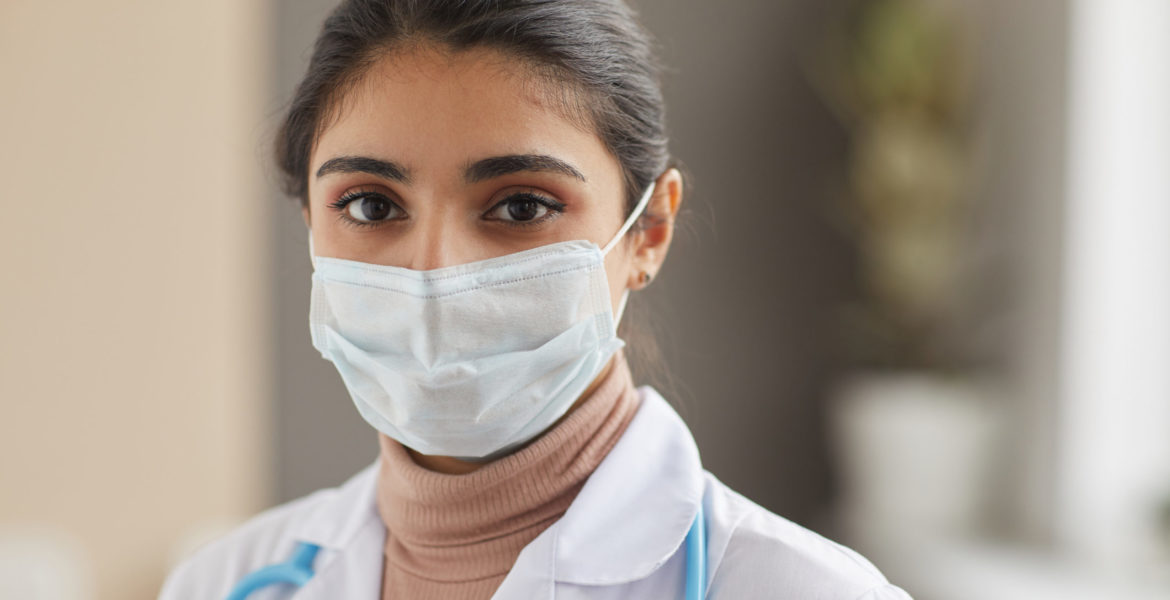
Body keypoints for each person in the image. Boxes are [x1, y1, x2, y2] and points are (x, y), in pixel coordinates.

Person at [160, 1, 912, 598]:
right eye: (370, 206)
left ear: (648, 230)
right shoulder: (223, 582)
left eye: (520, 207)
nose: (433, 272)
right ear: (310, 222)